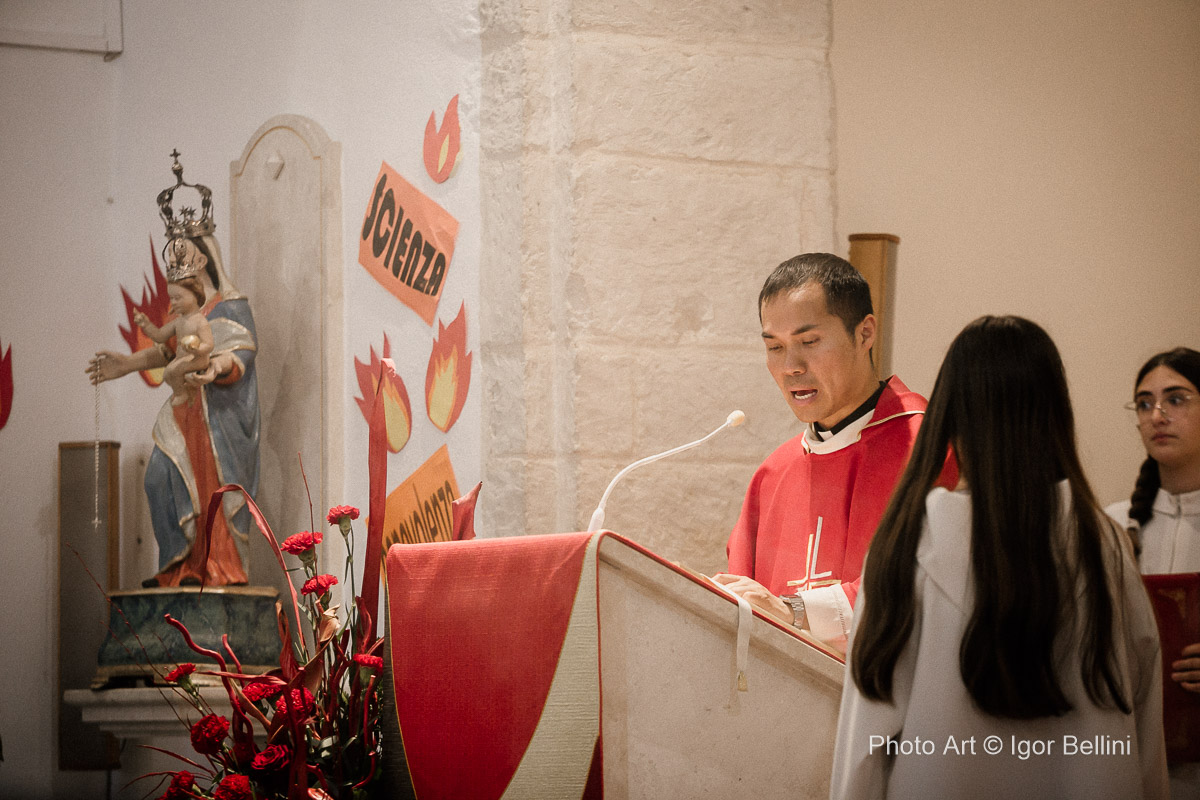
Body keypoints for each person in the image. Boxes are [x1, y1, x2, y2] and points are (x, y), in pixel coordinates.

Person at [832, 316, 1167, 800]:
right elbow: (1146, 722)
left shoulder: (909, 543)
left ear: (951, 414)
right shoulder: (1103, 543)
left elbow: (864, 736)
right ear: (1055, 415)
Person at [713, 253, 954, 652]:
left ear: (864, 334)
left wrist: (794, 611)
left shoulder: (928, 449)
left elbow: (929, 587)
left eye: (809, 342)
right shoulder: (773, 474)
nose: (791, 366)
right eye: (774, 347)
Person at [87, 156, 260, 587]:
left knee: (210, 494)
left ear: (205, 256)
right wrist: (127, 364)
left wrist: (215, 366)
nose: (182, 255)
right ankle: (178, 565)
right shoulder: (184, 312)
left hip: (217, 424)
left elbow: (240, 354)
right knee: (159, 478)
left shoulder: (231, 307)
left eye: (188, 250)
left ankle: (216, 568)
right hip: (184, 411)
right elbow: (166, 351)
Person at [1107, 347, 1200, 796]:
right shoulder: (1110, 525)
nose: (1157, 415)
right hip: (1129, 755)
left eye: (1175, 399)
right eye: (1144, 404)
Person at [133, 250, 213, 406]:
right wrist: (146, 325)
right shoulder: (179, 321)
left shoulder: (200, 322)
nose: (174, 302)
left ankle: (181, 394)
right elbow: (160, 336)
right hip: (183, 358)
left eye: (178, 298)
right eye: (172, 298)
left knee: (172, 371)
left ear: (195, 294)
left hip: (197, 359)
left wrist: (197, 349)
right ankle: (182, 390)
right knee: (167, 374)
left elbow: (209, 345)